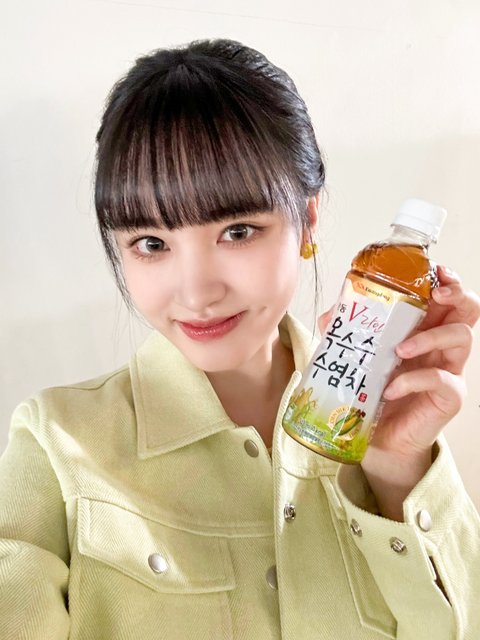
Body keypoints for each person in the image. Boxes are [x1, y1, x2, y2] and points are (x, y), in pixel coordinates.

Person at [0, 38, 479, 640]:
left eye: (237, 231)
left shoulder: (391, 443)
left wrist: (398, 467)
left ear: (308, 220)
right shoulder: (56, 444)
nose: (198, 292)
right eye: (151, 243)